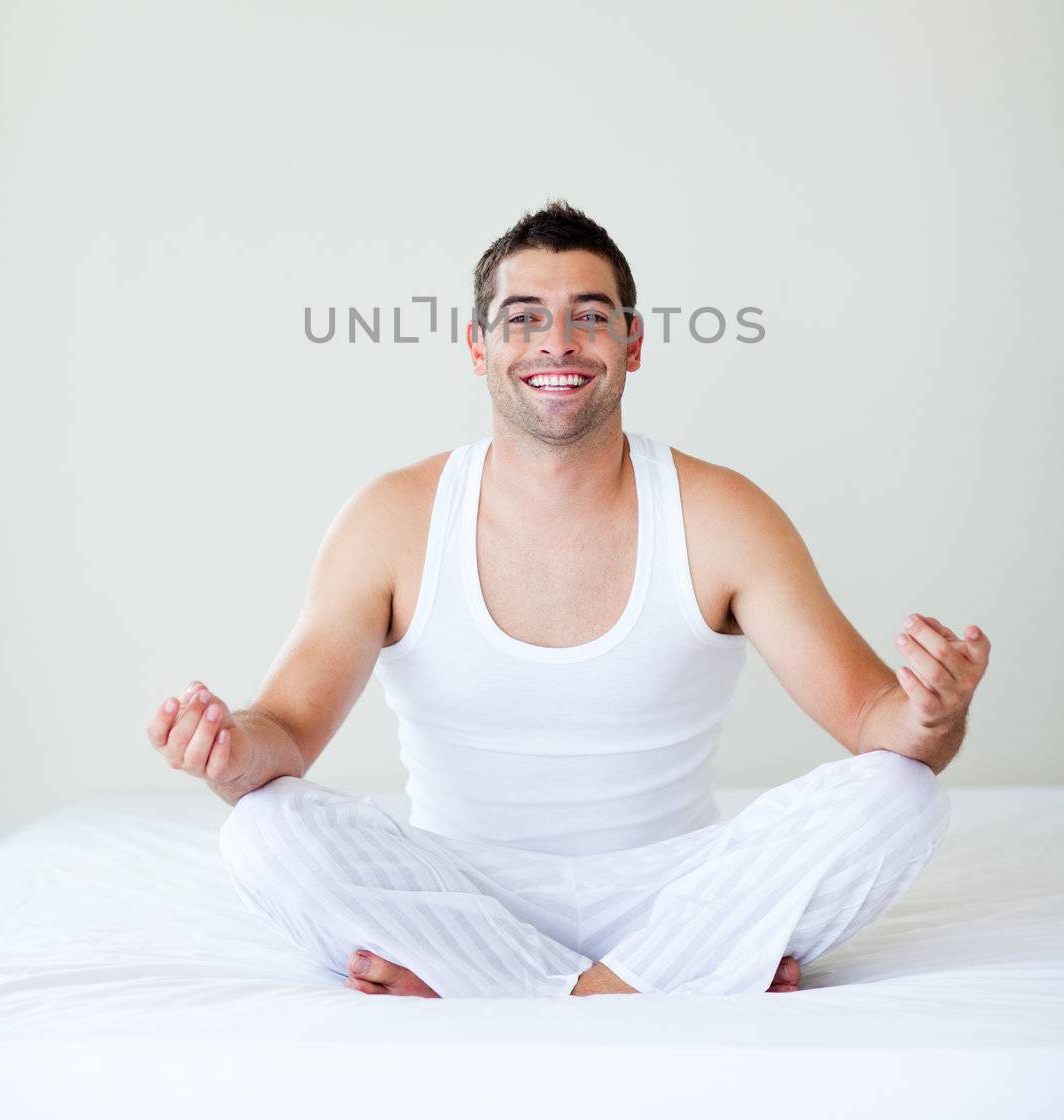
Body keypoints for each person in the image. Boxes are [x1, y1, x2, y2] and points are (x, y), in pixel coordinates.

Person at [145, 199, 990, 998]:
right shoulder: (391, 517)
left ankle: (509, 985)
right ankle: (664, 981)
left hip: (674, 889)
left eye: (590, 315)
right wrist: (230, 752)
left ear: (632, 343)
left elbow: (876, 722)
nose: (558, 342)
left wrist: (928, 717)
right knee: (263, 829)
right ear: (479, 348)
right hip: (463, 889)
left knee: (900, 796)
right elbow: (286, 732)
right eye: (524, 318)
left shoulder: (721, 512)